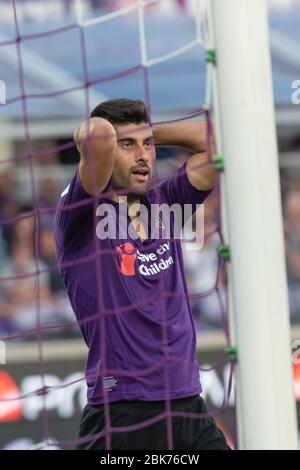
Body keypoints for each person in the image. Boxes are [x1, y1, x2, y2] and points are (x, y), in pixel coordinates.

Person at [54, 99, 229, 450]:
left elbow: (220, 141)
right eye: (128, 146)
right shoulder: (81, 212)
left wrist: (148, 133)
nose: (143, 156)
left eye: (147, 146)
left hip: (187, 405)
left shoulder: (166, 202)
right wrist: (110, 137)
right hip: (123, 413)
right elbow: (97, 134)